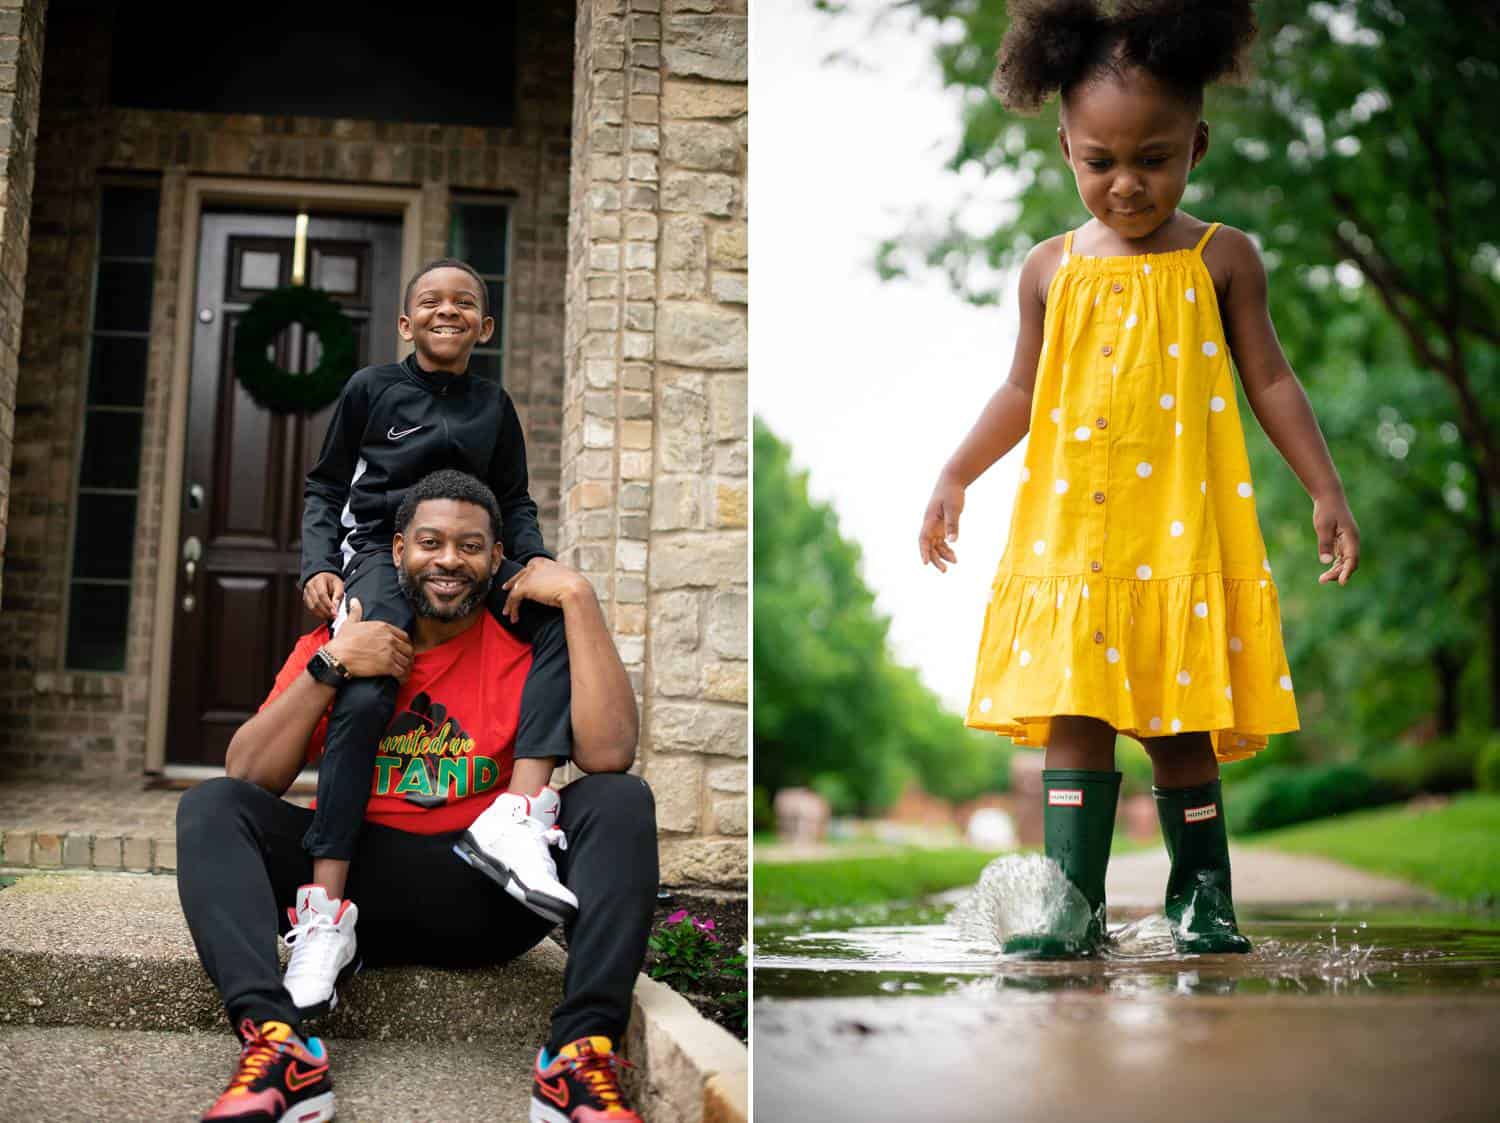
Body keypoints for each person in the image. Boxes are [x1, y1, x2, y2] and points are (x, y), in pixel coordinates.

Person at [917, 0, 1360, 958]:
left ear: (1195, 145)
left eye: (1152, 158)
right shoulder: (1049, 268)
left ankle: (1203, 899)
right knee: (1072, 724)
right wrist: (955, 473)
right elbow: (1020, 390)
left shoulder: (1222, 258)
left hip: (1179, 540)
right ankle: (1068, 908)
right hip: (1070, 542)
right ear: (1066, 148)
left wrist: (1326, 489)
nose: (1125, 183)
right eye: (1100, 161)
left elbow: (1273, 381)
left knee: (1179, 722)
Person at [178, 471, 655, 1123]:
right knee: (210, 807)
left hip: (487, 891)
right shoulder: (343, 635)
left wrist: (578, 596)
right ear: (398, 549)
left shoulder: (525, 645)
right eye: (430, 541)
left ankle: (577, 1056)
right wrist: (334, 664)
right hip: (355, 894)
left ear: (497, 558)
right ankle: (279, 1044)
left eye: (470, 545)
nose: (449, 559)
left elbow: (608, 754)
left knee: (620, 799)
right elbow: (247, 770)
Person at [293, 258, 575, 1017]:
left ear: (483, 327)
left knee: (559, 616)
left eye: (464, 304)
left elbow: (513, 499)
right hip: (389, 556)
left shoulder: (494, 404)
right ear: (405, 323)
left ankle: (522, 812)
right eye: (430, 301)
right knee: (368, 685)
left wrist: (538, 561)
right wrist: (320, 562)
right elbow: (326, 486)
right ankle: (324, 909)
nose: (446, 311)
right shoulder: (371, 391)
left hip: (479, 553)